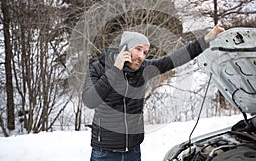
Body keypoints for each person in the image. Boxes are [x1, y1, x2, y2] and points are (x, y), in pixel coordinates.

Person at [82, 25, 225, 161]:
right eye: (138, 49)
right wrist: (115, 70)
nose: (141, 56)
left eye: (145, 52)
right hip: (105, 152)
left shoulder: (144, 69)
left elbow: (174, 59)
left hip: (133, 151)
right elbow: (90, 100)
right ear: (124, 49)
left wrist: (206, 39)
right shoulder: (99, 68)